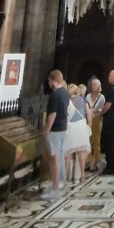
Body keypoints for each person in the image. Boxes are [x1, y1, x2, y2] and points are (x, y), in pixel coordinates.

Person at [42, 70, 70, 198]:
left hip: (54, 130)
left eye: (49, 81)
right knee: (59, 156)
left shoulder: (55, 95)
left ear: (52, 80)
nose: (48, 84)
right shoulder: (65, 92)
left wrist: (46, 130)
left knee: (53, 159)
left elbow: (52, 115)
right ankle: (60, 183)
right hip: (63, 127)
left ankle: (55, 190)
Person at [64, 83, 92, 183]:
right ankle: (82, 176)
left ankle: (65, 177)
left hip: (71, 127)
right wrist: (89, 125)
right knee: (81, 153)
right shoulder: (83, 100)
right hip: (81, 127)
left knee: (68, 154)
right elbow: (88, 113)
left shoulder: (67, 101)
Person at [85, 78, 105, 172]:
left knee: (96, 141)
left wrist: (95, 111)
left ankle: (96, 161)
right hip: (89, 119)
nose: (93, 86)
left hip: (97, 119)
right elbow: (86, 107)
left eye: (95, 85)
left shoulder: (101, 97)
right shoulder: (88, 96)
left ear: (99, 86)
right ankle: (89, 162)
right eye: (92, 85)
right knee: (88, 140)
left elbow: (102, 109)